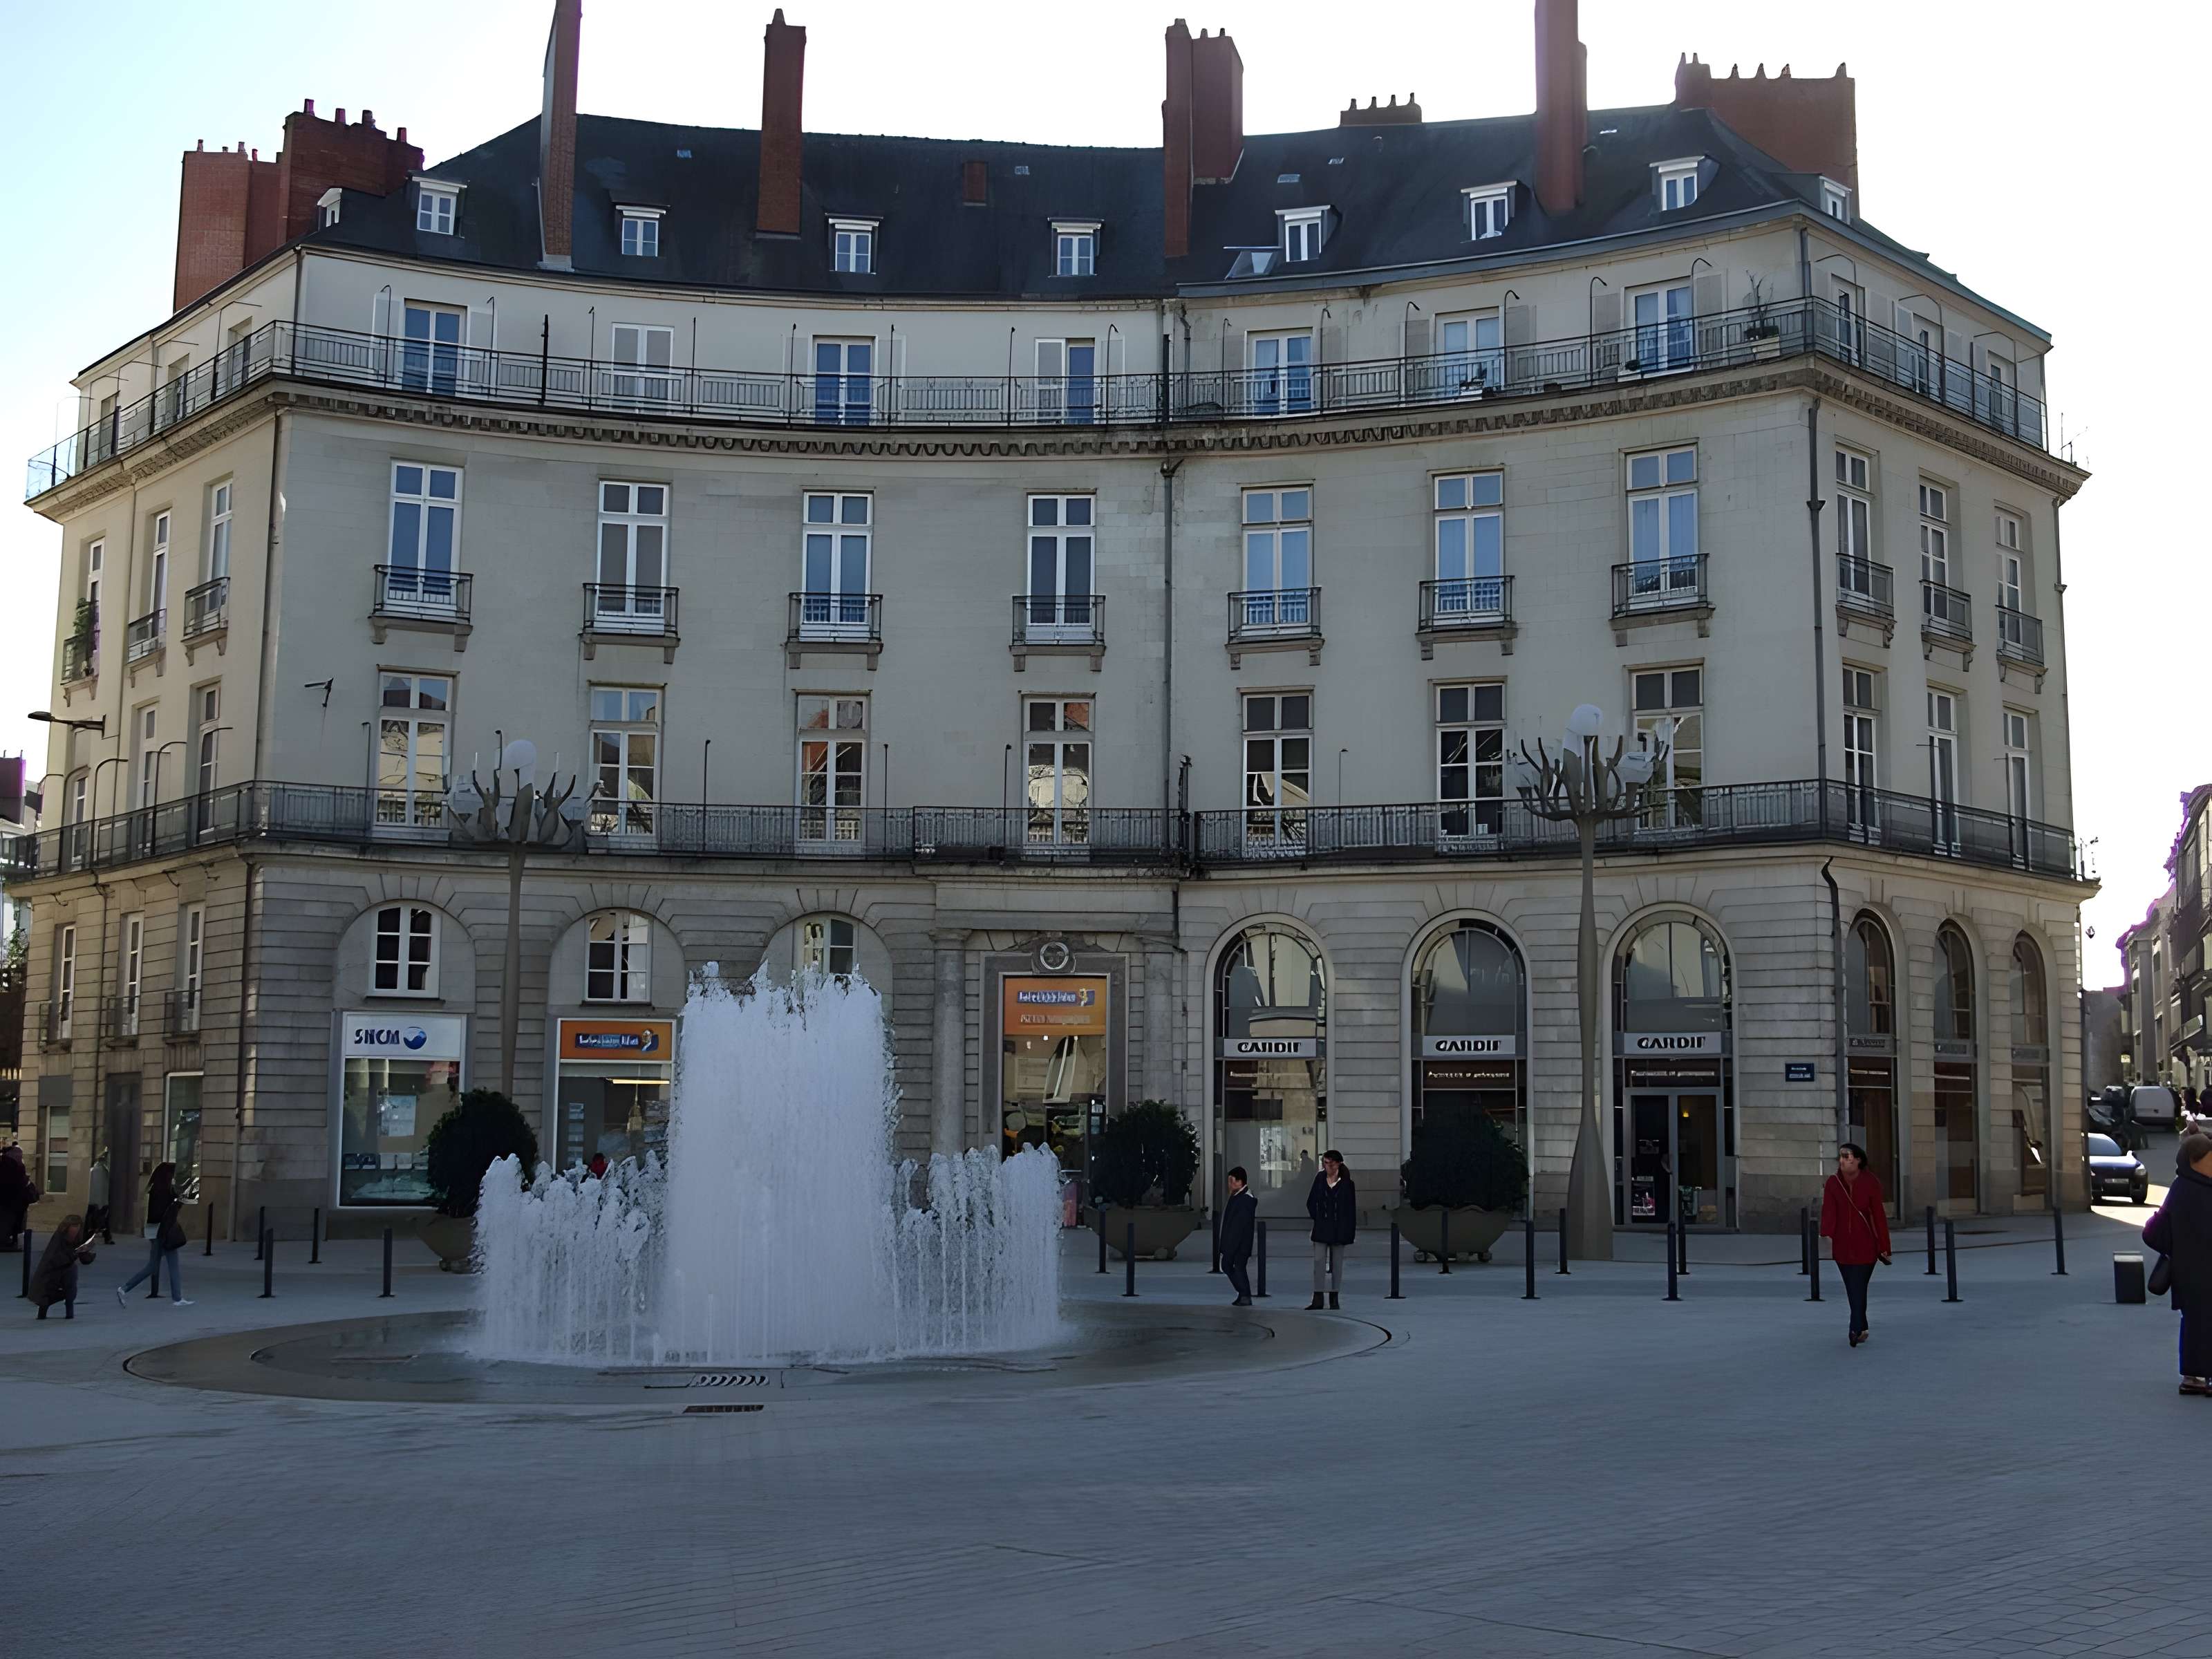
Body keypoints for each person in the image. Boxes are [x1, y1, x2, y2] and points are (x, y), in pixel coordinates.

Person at [2144, 1131, 2212, 1395]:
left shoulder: (2179, 1188)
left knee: (2194, 1321)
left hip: (2187, 1272)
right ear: (2195, 1161)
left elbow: (2154, 1235)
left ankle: (2193, 1377)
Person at [1819, 1141, 1891, 1347]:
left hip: (1867, 1244)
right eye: (1841, 1156)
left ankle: (1855, 1328)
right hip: (1842, 1245)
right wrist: (1825, 1235)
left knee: (1858, 1285)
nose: (1843, 1160)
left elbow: (1879, 1216)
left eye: (1847, 1156)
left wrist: (1885, 1246)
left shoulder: (1871, 1182)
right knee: (1853, 1287)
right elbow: (1829, 1212)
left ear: (1858, 1160)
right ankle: (1862, 1325)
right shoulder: (1834, 1183)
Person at [115, 1163, 192, 1308]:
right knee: (166, 1265)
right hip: (163, 1232)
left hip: (155, 1232)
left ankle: (125, 1289)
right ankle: (177, 1298)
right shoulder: (163, 1191)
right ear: (167, 1175)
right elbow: (169, 1210)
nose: (174, 1177)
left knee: (158, 1266)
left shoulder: (155, 1189)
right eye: (173, 1174)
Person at [1305, 1149, 1356, 1311]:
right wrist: (1319, 1218)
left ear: (1338, 1164)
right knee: (1319, 1262)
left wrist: (1348, 1232)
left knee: (1337, 1264)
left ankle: (1335, 1298)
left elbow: (1351, 1210)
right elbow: (1311, 1202)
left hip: (1339, 1230)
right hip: (1322, 1228)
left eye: (1330, 1163)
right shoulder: (1319, 1179)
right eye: (1325, 1163)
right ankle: (1318, 1298)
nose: (1327, 1166)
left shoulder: (1347, 1183)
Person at [30, 1215, 95, 1320]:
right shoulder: (58, 1239)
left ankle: (69, 1314)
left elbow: (84, 1258)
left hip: (67, 1268)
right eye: (73, 1227)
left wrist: (88, 1254)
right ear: (67, 1228)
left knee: (71, 1287)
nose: (75, 1231)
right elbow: (54, 1259)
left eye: (77, 1227)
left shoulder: (78, 1238)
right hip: (53, 1271)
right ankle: (43, 1313)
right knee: (46, 1295)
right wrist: (75, 1253)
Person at [1219, 1166, 1257, 1307]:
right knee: (1234, 1267)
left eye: (1232, 1181)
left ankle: (1245, 1294)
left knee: (1235, 1267)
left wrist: (1230, 1247)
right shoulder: (1238, 1196)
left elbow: (1239, 1227)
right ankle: (1243, 1294)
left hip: (1239, 1244)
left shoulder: (1245, 1199)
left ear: (1240, 1182)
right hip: (1235, 1243)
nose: (1230, 1185)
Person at [0, 1144, 37, 1253]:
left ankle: (8, 1240)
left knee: (8, 1221)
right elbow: (18, 1181)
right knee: (12, 1221)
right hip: (14, 1201)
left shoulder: (6, 1163)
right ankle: (9, 1241)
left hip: (9, 1200)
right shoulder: (15, 1165)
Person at [84, 1154, 113, 1246]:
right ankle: (107, 1238)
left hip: (92, 1199)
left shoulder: (93, 1170)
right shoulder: (103, 1171)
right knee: (104, 1218)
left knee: (90, 1219)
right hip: (102, 1200)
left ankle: (87, 1237)